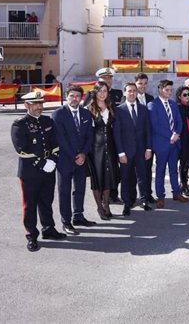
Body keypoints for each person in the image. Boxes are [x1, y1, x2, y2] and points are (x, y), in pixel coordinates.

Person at [11, 92, 66, 252]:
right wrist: (42, 163)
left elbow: (55, 143)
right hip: (30, 172)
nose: (39, 107)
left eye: (41, 103)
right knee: (30, 205)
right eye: (35, 104)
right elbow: (21, 150)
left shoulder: (47, 121)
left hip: (48, 169)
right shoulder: (19, 124)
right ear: (26, 105)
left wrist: (53, 160)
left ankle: (48, 229)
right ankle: (31, 235)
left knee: (46, 201)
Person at [52, 86, 95, 235]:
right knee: (64, 191)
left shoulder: (86, 114)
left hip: (82, 160)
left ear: (81, 98)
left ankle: (78, 216)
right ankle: (66, 222)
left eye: (77, 96)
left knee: (80, 189)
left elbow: (90, 136)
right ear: (66, 96)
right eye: (71, 96)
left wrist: (83, 154)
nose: (74, 98)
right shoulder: (58, 114)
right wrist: (75, 156)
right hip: (65, 160)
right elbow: (60, 139)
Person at [148, 79, 188, 207]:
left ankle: (176, 193)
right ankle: (160, 196)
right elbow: (156, 126)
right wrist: (171, 135)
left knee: (173, 170)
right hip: (161, 144)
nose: (169, 92)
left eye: (171, 90)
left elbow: (179, 122)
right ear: (160, 89)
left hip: (174, 143)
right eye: (167, 90)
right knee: (160, 171)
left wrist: (176, 134)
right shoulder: (153, 105)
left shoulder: (173, 104)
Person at [114, 82, 152, 214]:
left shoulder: (143, 109)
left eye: (134, 91)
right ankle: (126, 203)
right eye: (129, 91)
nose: (132, 93)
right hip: (126, 152)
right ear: (125, 93)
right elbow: (117, 133)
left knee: (143, 176)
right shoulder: (119, 110)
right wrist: (120, 153)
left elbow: (148, 130)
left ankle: (144, 200)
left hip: (141, 151)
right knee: (125, 178)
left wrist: (148, 149)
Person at [85, 81, 121, 220]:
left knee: (109, 176)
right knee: (97, 178)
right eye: (99, 91)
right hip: (95, 148)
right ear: (95, 92)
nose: (102, 93)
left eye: (105, 91)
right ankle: (99, 207)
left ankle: (106, 204)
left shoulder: (111, 107)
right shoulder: (89, 108)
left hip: (110, 146)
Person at [133, 72, 155, 204]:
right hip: (134, 142)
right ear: (135, 84)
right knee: (134, 172)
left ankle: (147, 194)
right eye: (140, 83)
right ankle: (133, 196)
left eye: (145, 83)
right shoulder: (129, 98)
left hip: (147, 141)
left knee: (147, 169)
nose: (143, 86)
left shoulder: (150, 98)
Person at [176, 85, 189, 197]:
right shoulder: (178, 107)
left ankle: (183, 185)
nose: (187, 96)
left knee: (187, 163)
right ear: (179, 96)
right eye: (185, 95)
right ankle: (183, 185)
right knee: (183, 163)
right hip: (182, 139)